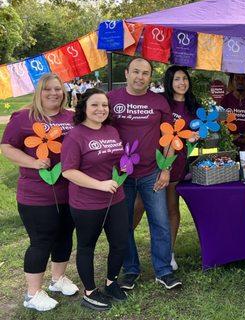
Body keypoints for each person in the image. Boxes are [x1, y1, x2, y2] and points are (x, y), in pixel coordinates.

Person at [0, 74, 79, 312]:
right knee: (41, 240)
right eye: (48, 90)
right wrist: (33, 162)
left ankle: (58, 279)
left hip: (69, 191)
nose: (53, 93)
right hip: (36, 194)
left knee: (65, 235)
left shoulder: (73, 117)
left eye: (58, 89)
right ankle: (32, 293)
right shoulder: (23, 117)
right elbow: (6, 147)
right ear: (39, 92)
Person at [107, 57, 182, 291]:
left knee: (160, 222)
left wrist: (166, 168)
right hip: (121, 175)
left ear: (151, 77)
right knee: (124, 224)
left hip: (152, 172)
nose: (140, 77)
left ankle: (163, 270)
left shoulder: (159, 102)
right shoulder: (110, 100)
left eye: (146, 73)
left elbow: (170, 136)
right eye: (136, 72)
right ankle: (131, 270)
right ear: (127, 73)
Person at [61, 89, 129, 311]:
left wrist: (124, 166)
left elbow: (115, 159)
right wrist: (99, 184)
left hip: (115, 198)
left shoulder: (111, 130)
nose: (101, 109)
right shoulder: (75, 136)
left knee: (120, 242)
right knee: (87, 246)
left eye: (105, 105)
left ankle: (111, 283)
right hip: (87, 203)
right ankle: (89, 292)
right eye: (95, 105)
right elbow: (68, 171)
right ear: (84, 108)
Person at [133, 65, 200, 271]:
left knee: (172, 207)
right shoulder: (160, 102)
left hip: (177, 163)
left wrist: (196, 137)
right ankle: (122, 246)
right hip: (155, 161)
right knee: (139, 205)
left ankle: (168, 252)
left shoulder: (193, 105)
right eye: (177, 79)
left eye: (184, 78)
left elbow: (195, 131)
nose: (182, 83)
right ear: (169, 82)